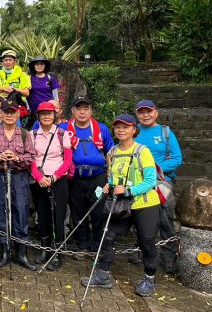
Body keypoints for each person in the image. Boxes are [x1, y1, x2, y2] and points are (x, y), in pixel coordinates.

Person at [80, 114, 161, 298]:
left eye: (125, 127)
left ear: (134, 129)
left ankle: (149, 278)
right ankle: (103, 275)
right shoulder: (113, 152)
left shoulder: (142, 151)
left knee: (146, 241)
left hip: (144, 204)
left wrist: (128, 190)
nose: (121, 130)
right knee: (106, 236)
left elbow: (150, 180)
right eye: (117, 127)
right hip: (122, 205)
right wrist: (109, 185)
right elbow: (112, 176)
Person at [0, 100, 37, 271]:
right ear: (1, 113)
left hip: (19, 177)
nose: (9, 115)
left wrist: (16, 158)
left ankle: (22, 253)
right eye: (6, 111)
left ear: (18, 114)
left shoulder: (24, 134)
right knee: (0, 210)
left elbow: (31, 156)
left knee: (21, 211)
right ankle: (5, 251)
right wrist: (1, 157)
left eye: (12, 112)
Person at [59, 96, 114, 259]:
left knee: (99, 212)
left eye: (86, 108)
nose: (82, 112)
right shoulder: (63, 129)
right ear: (72, 111)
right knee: (78, 212)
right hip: (74, 178)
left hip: (97, 178)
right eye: (78, 108)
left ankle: (97, 245)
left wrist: (110, 178)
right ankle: (82, 245)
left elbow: (111, 153)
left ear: (91, 111)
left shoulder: (101, 128)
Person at [135, 100, 182, 274]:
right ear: (137, 114)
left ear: (156, 113)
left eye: (149, 111)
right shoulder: (134, 132)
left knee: (165, 220)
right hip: (139, 183)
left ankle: (169, 257)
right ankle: (139, 251)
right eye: (141, 112)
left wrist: (154, 170)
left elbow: (177, 158)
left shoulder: (165, 132)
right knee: (139, 217)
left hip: (162, 183)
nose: (145, 115)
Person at [30, 102, 72, 270]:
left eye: (49, 113)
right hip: (40, 180)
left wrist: (55, 176)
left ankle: (57, 252)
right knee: (43, 214)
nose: (46, 116)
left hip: (58, 180)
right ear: (38, 116)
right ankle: (44, 249)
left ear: (55, 115)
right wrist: (39, 176)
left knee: (59, 215)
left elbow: (68, 160)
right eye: (43, 113)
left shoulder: (62, 133)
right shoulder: (33, 134)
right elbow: (31, 159)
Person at [0, 51, 30, 122]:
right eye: (6, 60)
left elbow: (27, 93)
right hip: (1, 106)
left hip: (17, 106)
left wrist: (14, 89)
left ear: (15, 62)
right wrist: (3, 88)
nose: (8, 62)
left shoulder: (23, 75)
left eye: (10, 60)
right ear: (2, 62)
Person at [27, 57, 60, 127]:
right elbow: (26, 94)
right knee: (36, 128)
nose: (39, 66)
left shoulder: (50, 78)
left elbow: (55, 95)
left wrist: (56, 107)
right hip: (35, 109)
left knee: (50, 127)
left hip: (48, 108)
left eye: (42, 64)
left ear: (45, 66)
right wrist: (28, 107)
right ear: (34, 66)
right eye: (37, 64)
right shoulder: (29, 78)